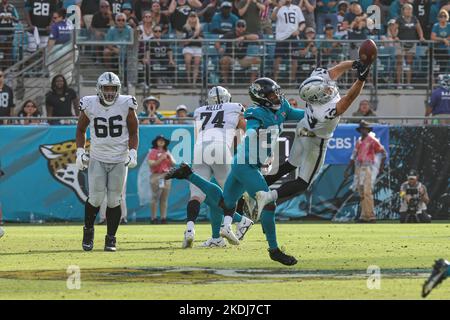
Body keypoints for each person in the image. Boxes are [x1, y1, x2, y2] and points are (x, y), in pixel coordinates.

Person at [166, 78, 305, 265]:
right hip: (246, 164)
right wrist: (254, 134)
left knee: (225, 203)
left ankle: (188, 174)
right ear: (262, 98)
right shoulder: (256, 113)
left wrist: (322, 114)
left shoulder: (283, 108)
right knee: (268, 203)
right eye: (271, 94)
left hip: (242, 162)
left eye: (276, 92)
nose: (276, 96)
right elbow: (252, 127)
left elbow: (302, 115)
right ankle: (274, 249)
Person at [254, 60, 373, 220]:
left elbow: (334, 71)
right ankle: (266, 197)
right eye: (324, 90)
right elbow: (348, 99)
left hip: (302, 128)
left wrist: (354, 64)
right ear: (318, 96)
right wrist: (361, 79)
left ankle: (257, 186)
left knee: (290, 164)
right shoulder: (323, 113)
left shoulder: (316, 81)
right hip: (315, 141)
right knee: (303, 182)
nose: (328, 88)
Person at [179, 86, 252, 248]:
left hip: (200, 148)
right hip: (220, 147)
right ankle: (230, 226)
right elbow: (246, 128)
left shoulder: (199, 111)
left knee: (196, 195)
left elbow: (201, 132)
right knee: (228, 195)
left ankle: (190, 230)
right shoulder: (235, 107)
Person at [76, 71, 139, 252]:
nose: (110, 92)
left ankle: (111, 238)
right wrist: (80, 151)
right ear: (99, 89)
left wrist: (133, 152)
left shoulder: (126, 104)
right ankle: (88, 231)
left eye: (113, 88)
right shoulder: (90, 104)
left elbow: (134, 132)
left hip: (119, 158)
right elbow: (80, 129)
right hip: (97, 156)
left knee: (114, 200)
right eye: (106, 88)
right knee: (95, 198)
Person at [344, 120, 386, 223]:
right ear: (360, 130)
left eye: (365, 129)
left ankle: (371, 216)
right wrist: (348, 169)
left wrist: (380, 167)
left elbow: (383, 152)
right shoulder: (359, 141)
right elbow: (354, 156)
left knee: (367, 192)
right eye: (362, 129)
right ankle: (364, 216)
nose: (364, 130)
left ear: (367, 130)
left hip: (368, 167)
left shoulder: (372, 140)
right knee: (361, 192)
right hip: (359, 168)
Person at [215, 19, 261, 84]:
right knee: (224, 60)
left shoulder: (246, 34)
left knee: (257, 60)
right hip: (230, 58)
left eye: (243, 26)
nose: (241, 28)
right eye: (239, 26)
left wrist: (244, 38)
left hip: (242, 59)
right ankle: (225, 83)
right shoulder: (230, 34)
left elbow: (256, 37)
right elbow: (217, 42)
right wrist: (219, 48)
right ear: (236, 27)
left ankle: (252, 84)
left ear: (245, 27)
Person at [272, 0, 305, 83]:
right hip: (281, 38)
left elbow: (303, 23)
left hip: (293, 37)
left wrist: (299, 30)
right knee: (277, 59)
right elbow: (272, 18)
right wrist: (279, 6)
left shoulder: (296, 8)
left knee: (294, 59)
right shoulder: (278, 8)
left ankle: (292, 80)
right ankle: (275, 80)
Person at [395, 3, 425, 89]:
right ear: (403, 10)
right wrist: (395, 36)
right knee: (399, 63)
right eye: (407, 9)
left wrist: (421, 37)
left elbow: (419, 28)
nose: (409, 11)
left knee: (409, 64)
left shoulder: (414, 19)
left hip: (411, 43)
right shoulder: (399, 19)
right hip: (400, 43)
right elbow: (394, 29)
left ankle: (408, 83)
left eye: (410, 9)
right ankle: (399, 84)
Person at [148, 135, 175, 224]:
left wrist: (169, 157)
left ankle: (163, 218)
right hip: (156, 176)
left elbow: (174, 163)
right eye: (159, 140)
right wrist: (161, 158)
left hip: (166, 176)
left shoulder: (167, 152)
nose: (161, 142)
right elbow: (151, 164)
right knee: (155, 197)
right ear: (156, 142)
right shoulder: (153, 151)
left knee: (164, 198)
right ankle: (153, 218)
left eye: (163, 140)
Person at [47, 8, 77, 85]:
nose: (53, 20)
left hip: (59, 50)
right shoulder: (70, 23)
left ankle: (55, 89)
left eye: (55, 18)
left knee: (53, 71)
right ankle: (66, 89)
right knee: (67, 72)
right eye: (53, 18)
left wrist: (47, 54)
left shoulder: (55, 26)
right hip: (73, 50)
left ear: (61, 17)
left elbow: (51, 42)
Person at [182, 11, 203, 86]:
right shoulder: (185, 28)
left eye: (194, 16)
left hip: (197, 47)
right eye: (191, 16)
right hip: (188, 47)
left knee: (196, 63)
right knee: (188, 61)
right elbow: (184, 42)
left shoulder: (199, 27)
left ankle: (194, 82)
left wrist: (197, 37)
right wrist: (194, 36)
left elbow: (202, 40)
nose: (193, 18)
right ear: (188, 18)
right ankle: (188, 80)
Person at [0, 0, 20, 69]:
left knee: (8, 51)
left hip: (10, 32)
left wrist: (12, 18)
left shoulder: (12, 7)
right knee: (1, 51)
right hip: (1, 33)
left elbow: (17, 19)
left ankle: (6, 69)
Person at [431, 10, 450, 74]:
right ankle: (437, 81)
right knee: (438, 67)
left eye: (444, 16)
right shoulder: (436, 25)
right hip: (438, 50)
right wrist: (443, 40)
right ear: (438, 17)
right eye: (441, 16)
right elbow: (433, 37)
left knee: (445, 66)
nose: (443, 17)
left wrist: (446, 39)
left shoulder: (449, 25)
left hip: (447, 49)